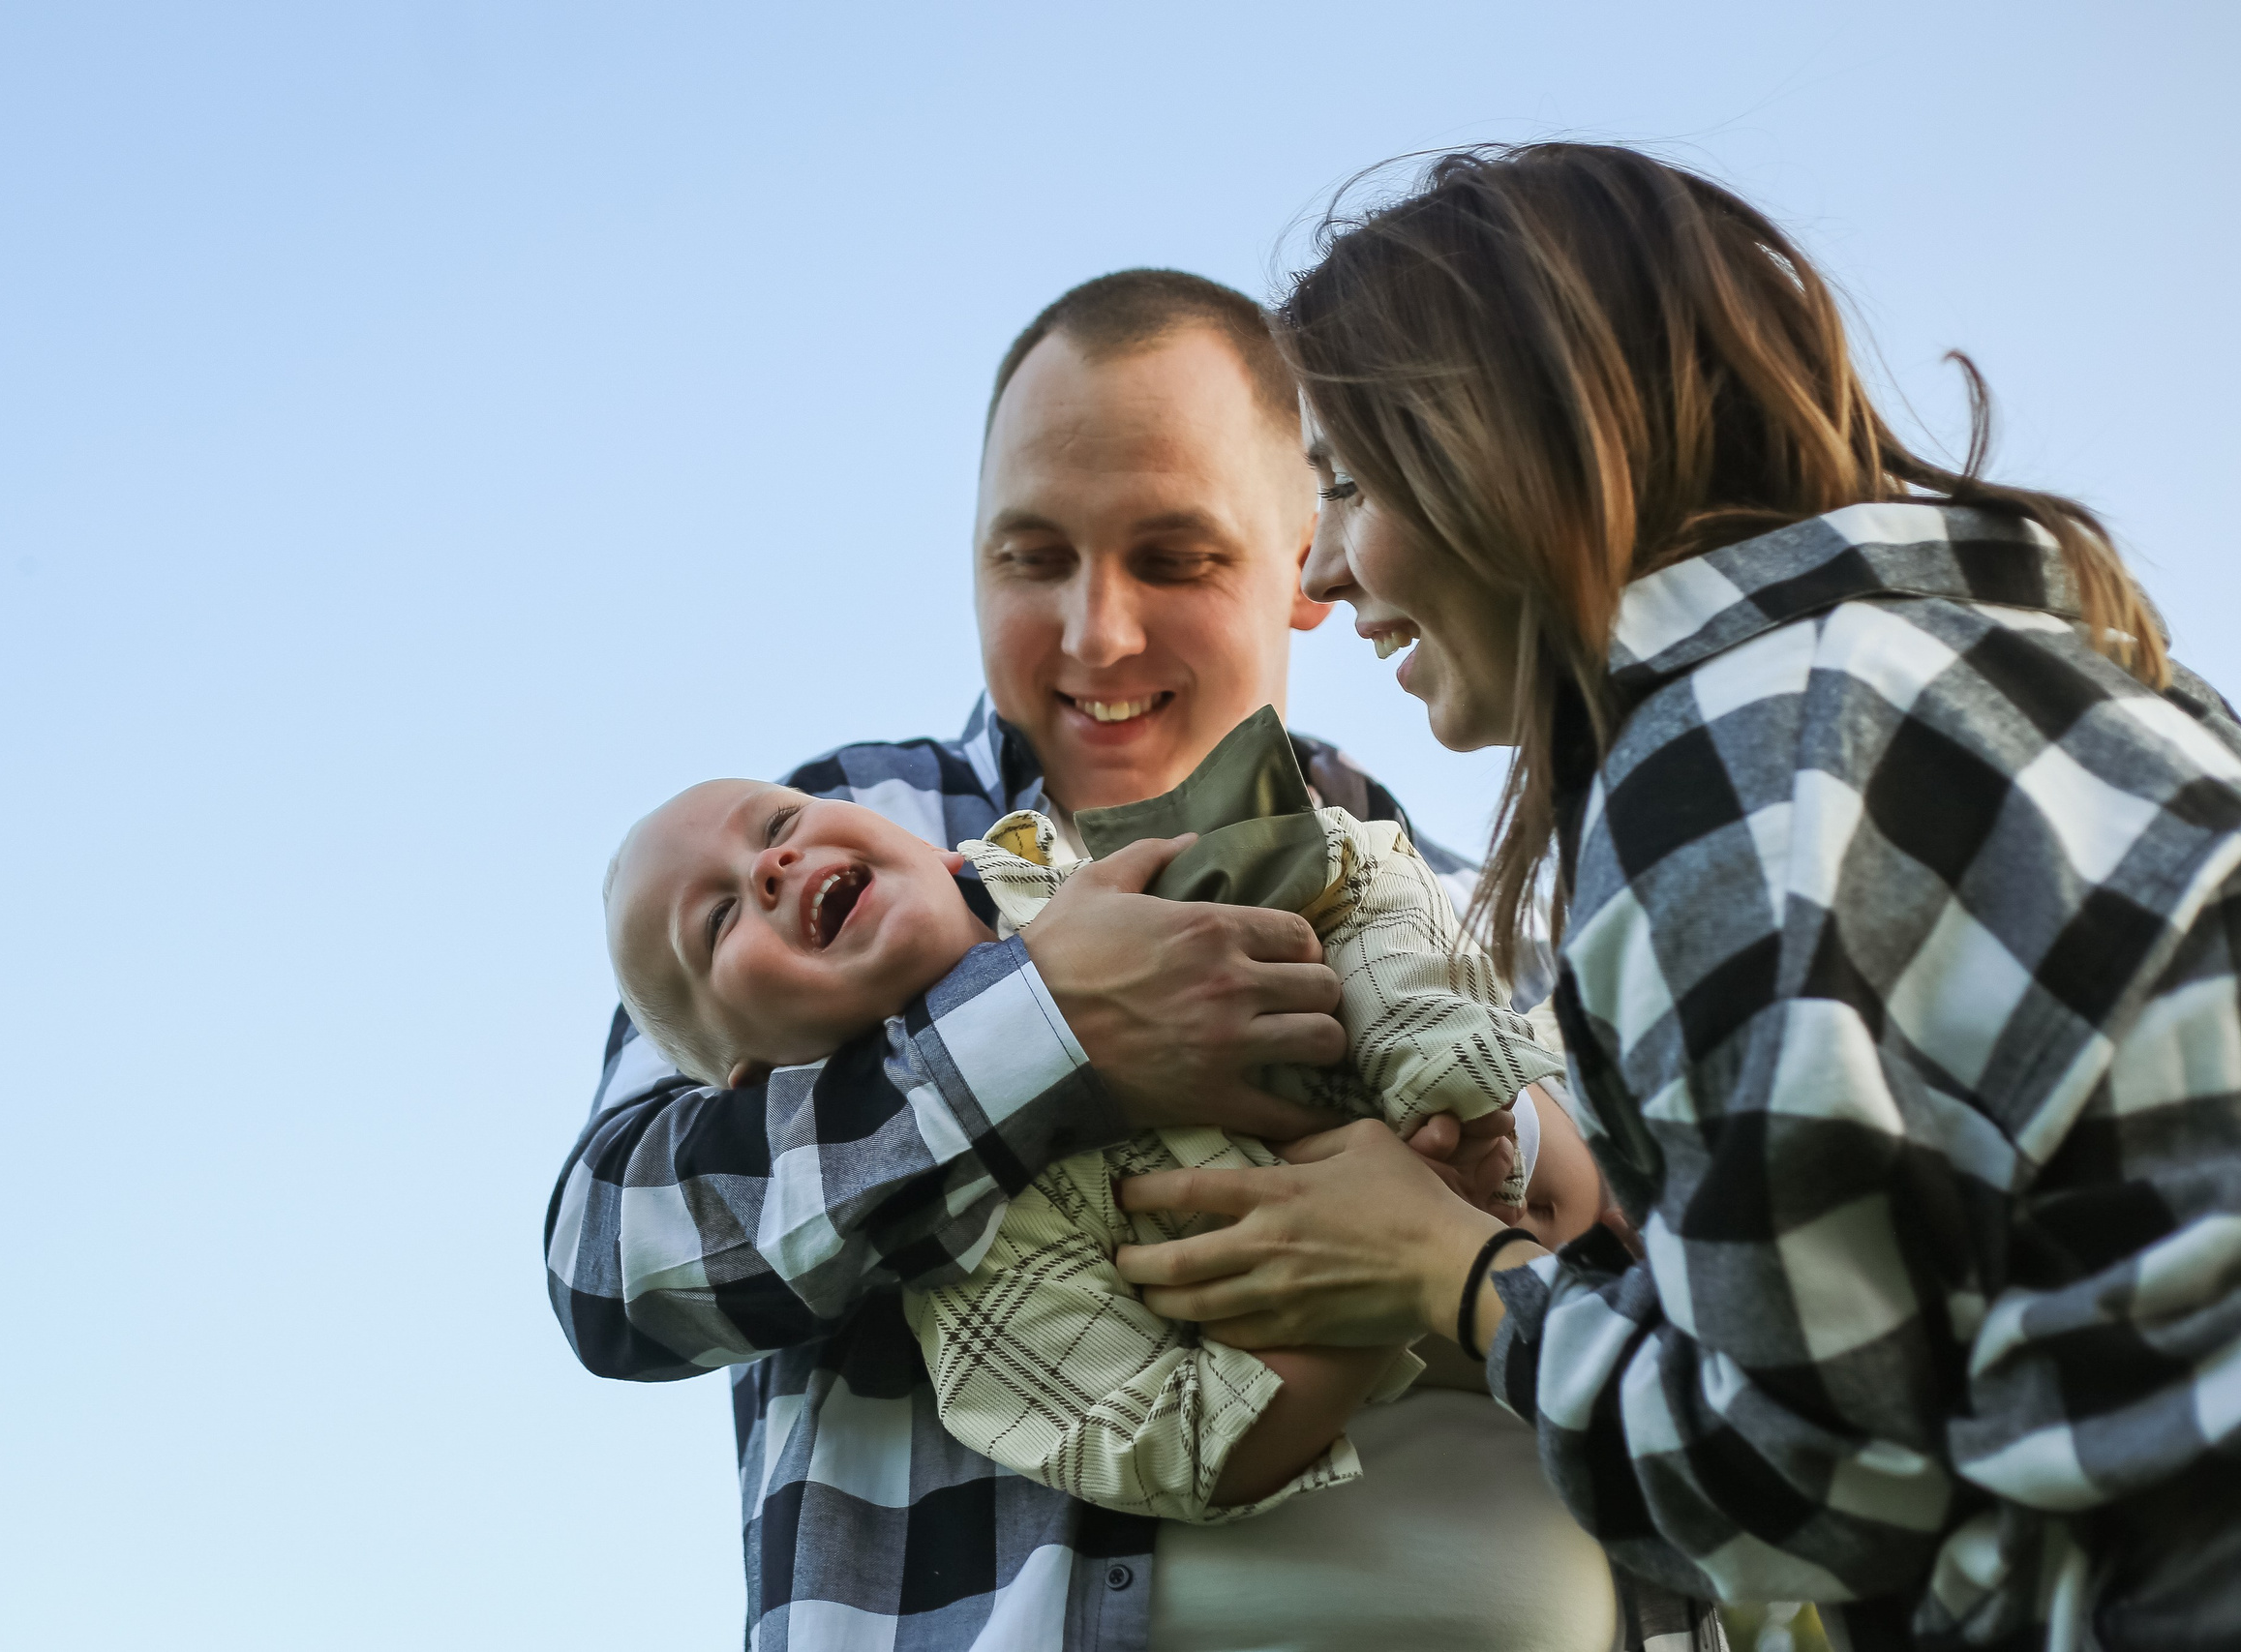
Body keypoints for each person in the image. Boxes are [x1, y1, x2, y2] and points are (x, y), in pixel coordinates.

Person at [1110, 144, 2241, 1650]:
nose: (1320, 566)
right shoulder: (2072, 684)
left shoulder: (1733, 762)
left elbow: (1806, 1480)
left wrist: (1454, 1275)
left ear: (1507, 444)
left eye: (1353, 484)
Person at [547, 271, 1678, 1652]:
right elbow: (614, 1259)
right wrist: (1046, 1025)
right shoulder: (854, 839)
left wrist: (1511, 1197)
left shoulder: (1473, 902)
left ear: (1307, 559)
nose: (1097, 633)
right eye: (1031, 557)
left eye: (1173, 556)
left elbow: (1730, 1364)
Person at [597, 706, 1582, 1526]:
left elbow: (1360, 869)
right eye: (718, 920)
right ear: (757, 1081)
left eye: (779, 826)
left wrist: (1443, 1078)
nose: (769, 868)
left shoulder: (1129, 886)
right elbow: (1171, 1443)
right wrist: (1385, 1276)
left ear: (939, 852)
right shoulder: (972, 1274)